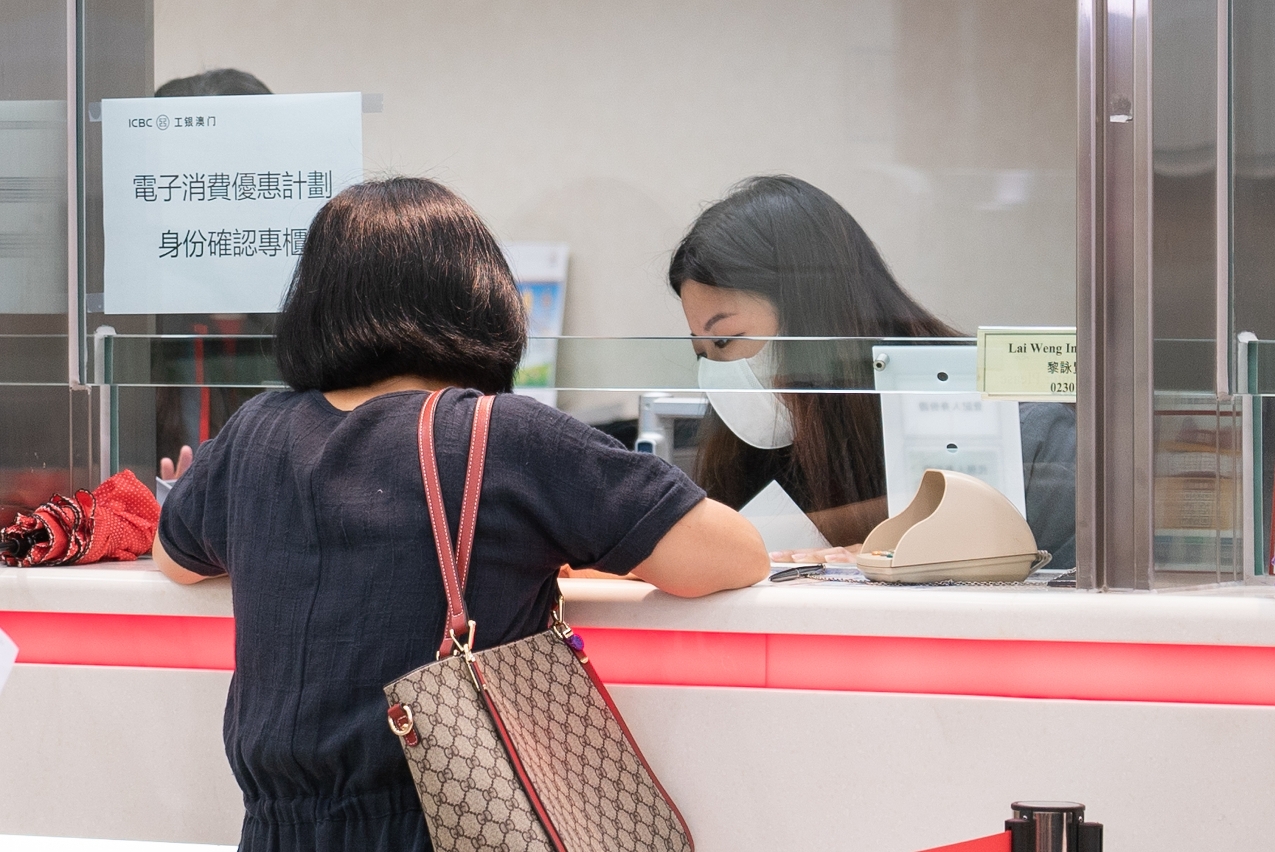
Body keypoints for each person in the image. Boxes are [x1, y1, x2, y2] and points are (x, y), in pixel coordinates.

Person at [151, 177, 769, 852]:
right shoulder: (500, 435)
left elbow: (175, 559)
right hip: (454, 822)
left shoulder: (254, 432)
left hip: (275, 831)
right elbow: (735, 556)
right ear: (479, 298)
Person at [669, 175, 1076, 569]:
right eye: (701, 352)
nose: (717, 373)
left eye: (724, 339)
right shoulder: (754, 457)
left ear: (812, 312)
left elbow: (1073, 601)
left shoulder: (1024, 437)